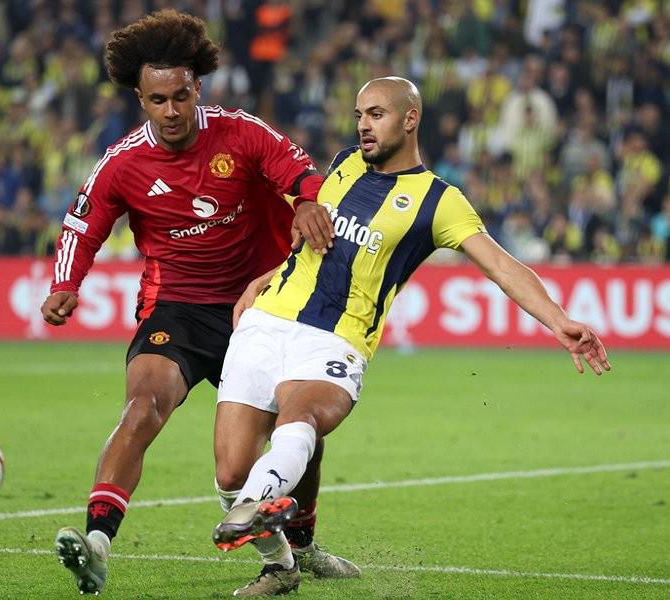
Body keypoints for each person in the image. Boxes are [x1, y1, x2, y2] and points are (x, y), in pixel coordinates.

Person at [210, 77, 612, 596]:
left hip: (337, 339)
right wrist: (264, 278)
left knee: (301, 418)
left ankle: (260, 501)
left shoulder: (440, 201)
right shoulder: (342, 165)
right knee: (229, 473)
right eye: (359, 114)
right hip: (266, 323)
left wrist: (558, 319)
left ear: (410, 119)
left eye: (375, 114)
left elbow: (500, 265)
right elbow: (307, 242)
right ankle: (283, 562)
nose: (363, 125)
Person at [39, 9, 358, 595]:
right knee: (143, 405)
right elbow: (83, 225)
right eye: (158, 100)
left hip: (261, 307)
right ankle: (98, 542)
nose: (171, 111)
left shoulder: (241, 132)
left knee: (298, 429)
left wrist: (309, 200)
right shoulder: (123, 163)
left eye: (181, 96)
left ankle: (303, 545)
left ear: (198, 89)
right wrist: (65, 284)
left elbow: (301, 172)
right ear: (140, 99)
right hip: (177, 309)